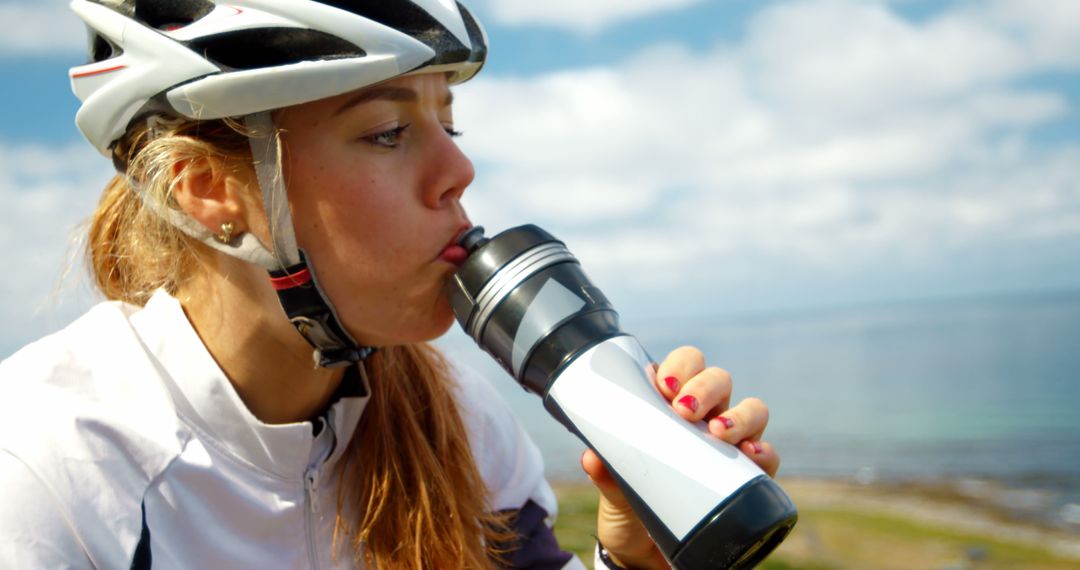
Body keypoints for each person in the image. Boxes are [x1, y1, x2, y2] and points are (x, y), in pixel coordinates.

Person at [0, 1, 779, 568]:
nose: (459, 171)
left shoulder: (464, 420)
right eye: (387, 132)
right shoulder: (45, 464)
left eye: (451, 123)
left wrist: (633, 561)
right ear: (209, 187)